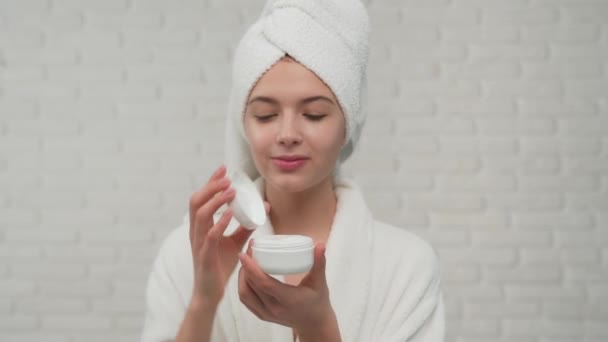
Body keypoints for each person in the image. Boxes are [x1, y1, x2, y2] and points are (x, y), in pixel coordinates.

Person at [141, 0, 445, 341]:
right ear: (243, 125)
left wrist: (318, 329)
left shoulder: (406, 266)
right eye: (265, 116)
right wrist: (204, 300)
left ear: (347, 125)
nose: (287, 135)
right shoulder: (188, 255)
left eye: (314, 114)